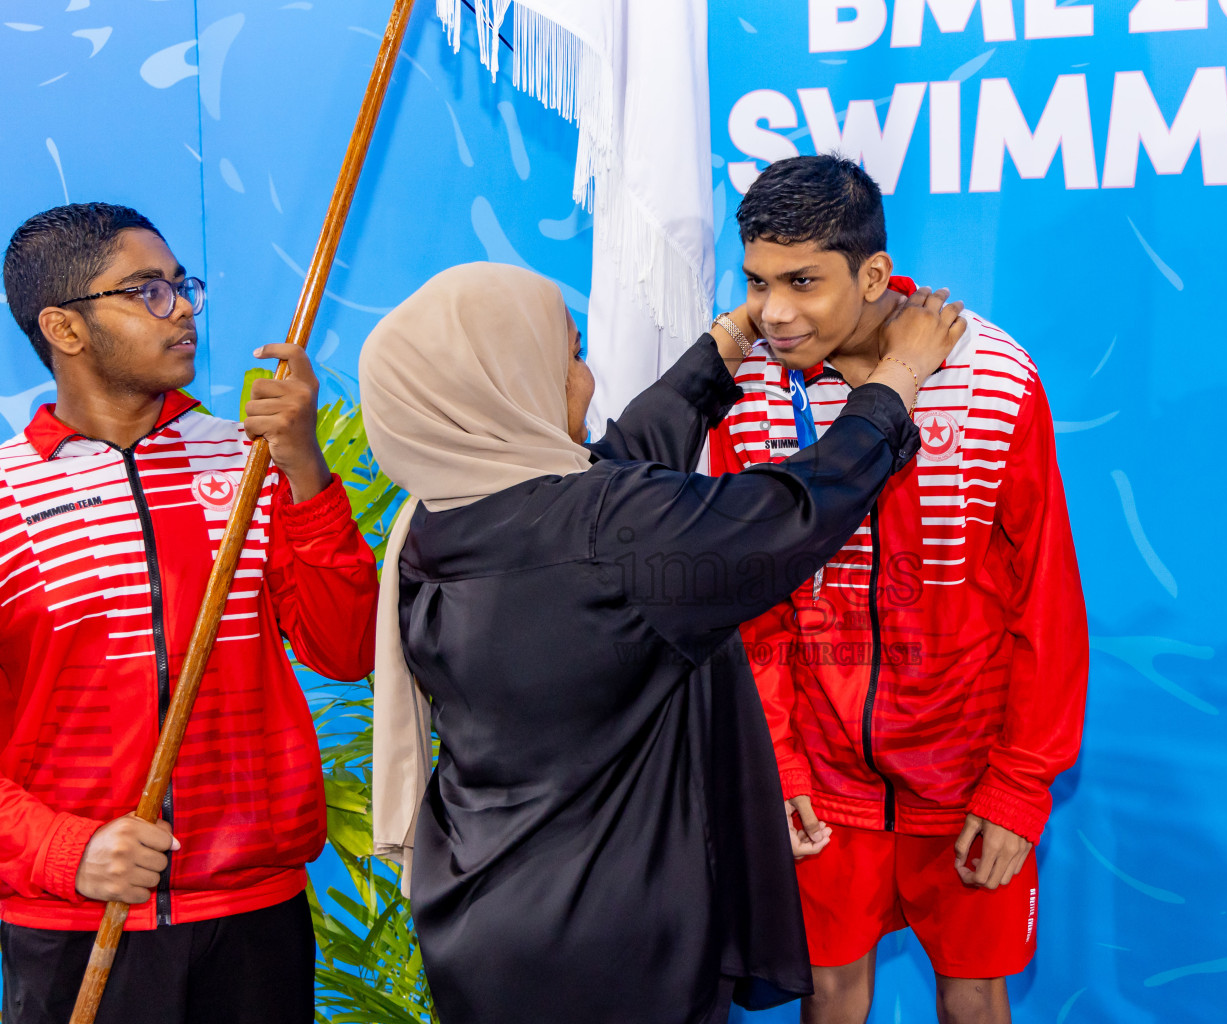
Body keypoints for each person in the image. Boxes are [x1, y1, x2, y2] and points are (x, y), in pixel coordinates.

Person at [362, 261, 964, 1024]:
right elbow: (794, 509)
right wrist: (899, 377)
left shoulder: (437, 522)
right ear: (504, 382)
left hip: (480, 918)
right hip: (609, 945)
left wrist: (732, 338)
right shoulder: (604, 530)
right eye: (568, 355)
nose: (585, 379)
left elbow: (618, 459)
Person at [706, 155, 1089, 1024]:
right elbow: (749, 599)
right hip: (822, 772)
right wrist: (782, 759)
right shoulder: (748, 391)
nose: (773, 312)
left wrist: (1018, 785)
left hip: (968, 772)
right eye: (759, 282)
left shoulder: (995, 379)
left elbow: (1044, 601)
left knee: (974, 994)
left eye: (803, 282)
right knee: (830, 990)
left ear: (874, 273)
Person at [0, 203, 378, 1023]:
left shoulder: (251, 462)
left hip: (255, 919)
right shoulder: (5, 495)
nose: (183, 311)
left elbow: (347, 648)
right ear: (63, 328)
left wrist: (307, 468)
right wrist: (72, 852)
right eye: (148, 292)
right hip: (77, 921)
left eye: (182, 287)